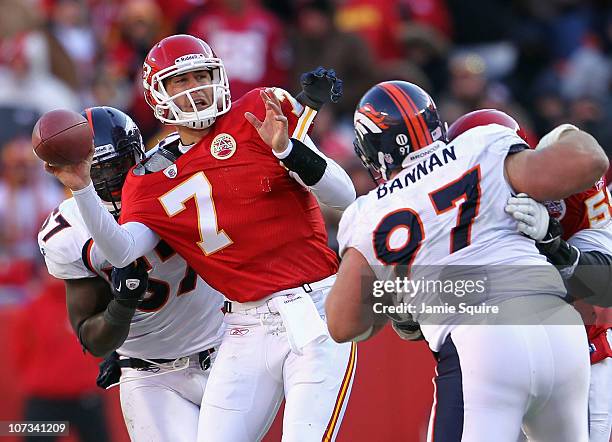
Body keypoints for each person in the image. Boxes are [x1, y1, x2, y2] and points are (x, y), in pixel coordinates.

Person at [45, 35, 357, 442]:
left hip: (312, 307)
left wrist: (288, 150)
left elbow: (343, 195)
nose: (195, 89)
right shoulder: (148, 179)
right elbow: (121, 249)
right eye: (182, 81)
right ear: (157, 93)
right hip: (244, 324)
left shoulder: (257, 112)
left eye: (202, 76)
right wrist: (83, 189)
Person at [325, 82, 608, 441]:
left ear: (371, 150)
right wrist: (567, 134)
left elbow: (343, 323)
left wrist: (402, 294)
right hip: (561, 331)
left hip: (482, 344)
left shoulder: (370, 210)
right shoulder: (482, 143)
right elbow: (589, 160)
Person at [38, 106, 225, 442]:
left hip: (227, 350)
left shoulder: (177, 174)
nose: (108, 180)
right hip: (149, 372)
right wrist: (122, 305)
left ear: (139, 154)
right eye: (95, 171)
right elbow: (91, 337)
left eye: (115, 166)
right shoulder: (71, 231)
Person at [499, 121, 612, 442]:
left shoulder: (576, 192)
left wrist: (554, 244)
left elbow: (605, 284)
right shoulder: (461, 195)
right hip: (505, 355)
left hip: (580, 350)